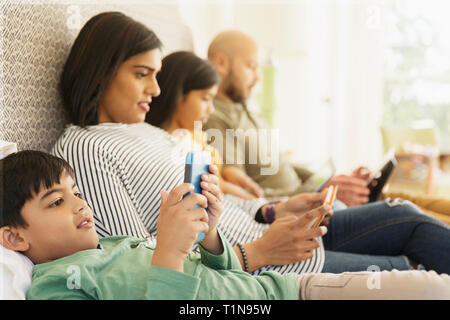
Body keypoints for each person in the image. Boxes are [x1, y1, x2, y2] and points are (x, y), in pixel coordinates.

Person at [51, 11, 450, 276]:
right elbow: (140, 261)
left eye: (156, 74)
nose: (156, 89)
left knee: (406, 215)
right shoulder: (86, 149)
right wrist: (255, 253)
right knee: (406, 269)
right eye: (142, 74)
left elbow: (215, 196)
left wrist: (274, 209)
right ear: (101, 72)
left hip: (269, 231)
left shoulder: (150, 132)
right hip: (257, 262)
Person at [1, 150, 450, 300]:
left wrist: (211, 237)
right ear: (13, 237)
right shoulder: (56, 284)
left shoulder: (113, 245)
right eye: (57, 201)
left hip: (281, 288)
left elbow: (211, 278)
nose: (80, 204)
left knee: (428, 282)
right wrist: (170, 252)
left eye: (76, 192)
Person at [205, 29, 372, 206]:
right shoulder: (215, 118)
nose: (258, 78)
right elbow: (240, 197)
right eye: (251, 66)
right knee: (400, 212)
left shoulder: (251, 114)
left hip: (308, 200)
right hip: (295, 212)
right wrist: (317, 195)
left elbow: (283, 166)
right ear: (221, 63)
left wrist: (331, 182)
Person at [146, 51, 264, 200]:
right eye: (205, 99)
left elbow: (218, 187)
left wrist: (258, 204)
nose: (211, 109)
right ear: (177, 94)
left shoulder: (194, 138)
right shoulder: (163, 150)